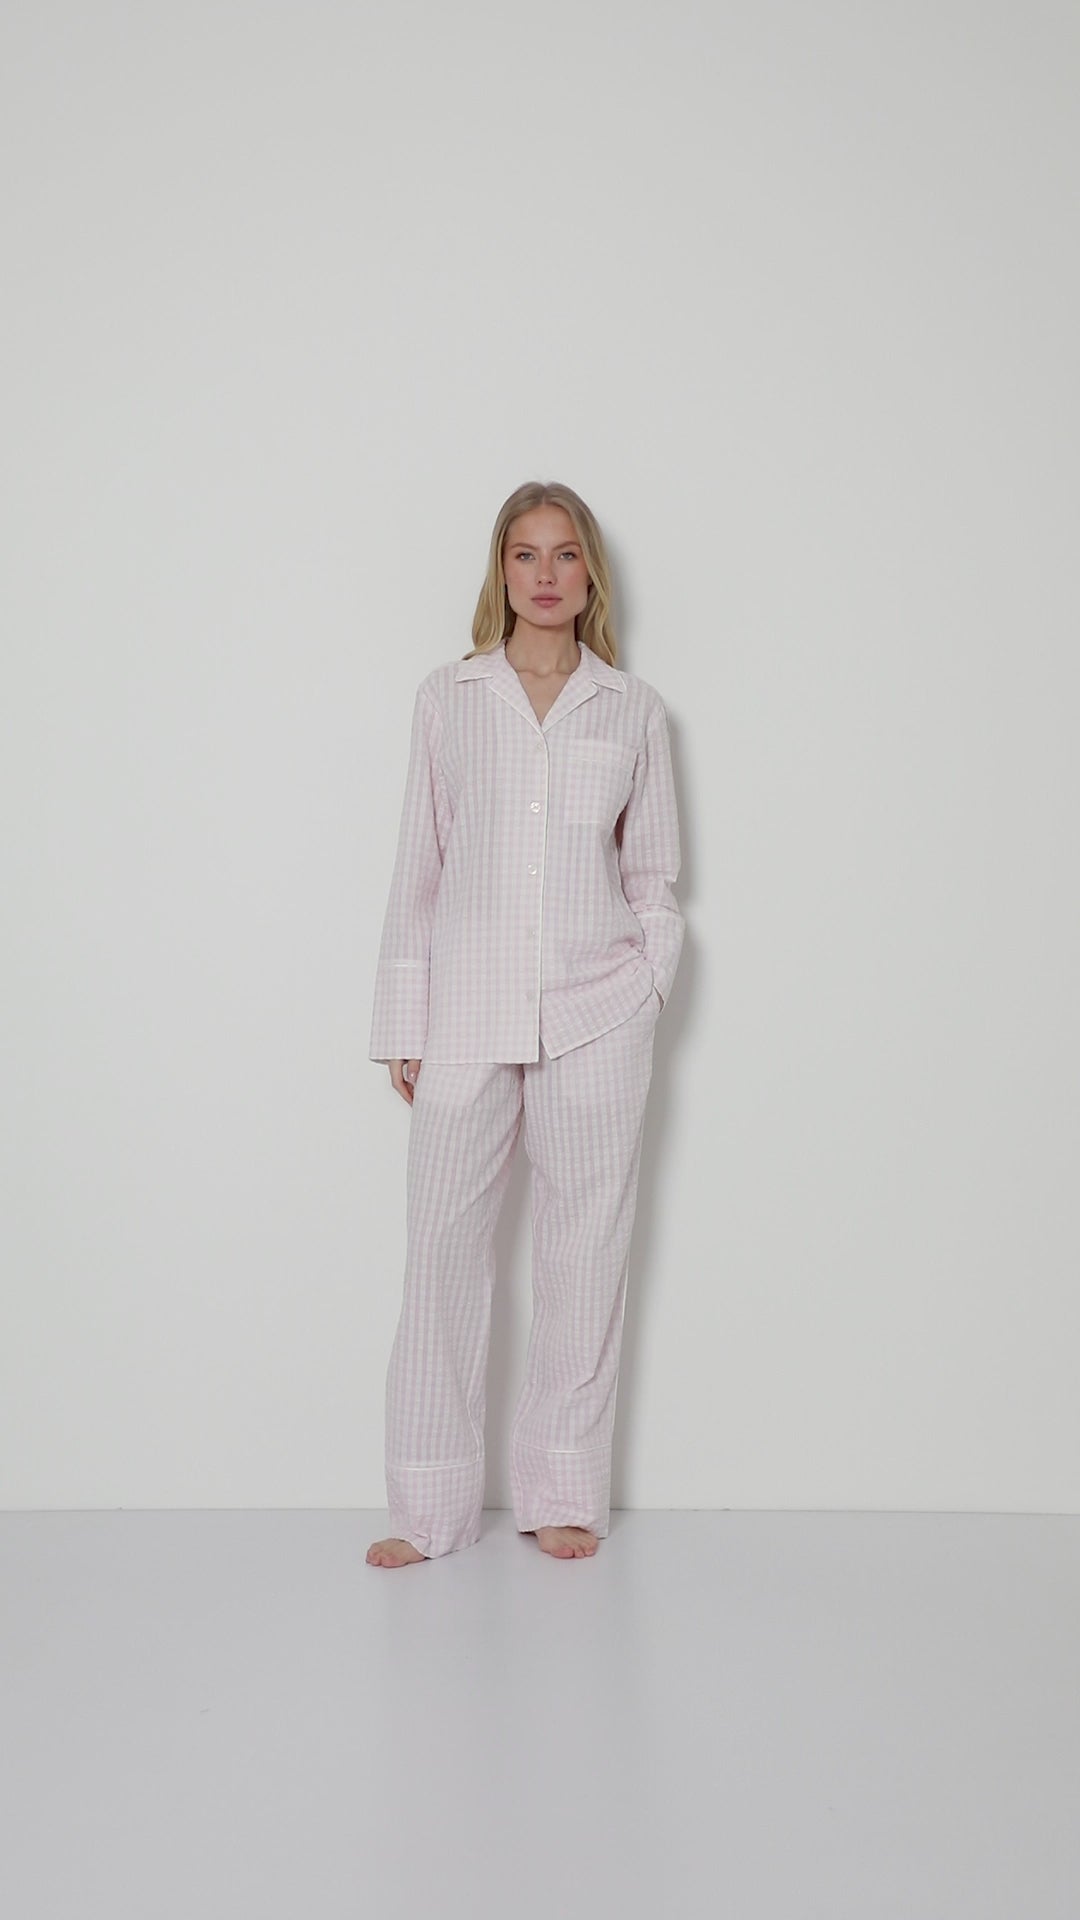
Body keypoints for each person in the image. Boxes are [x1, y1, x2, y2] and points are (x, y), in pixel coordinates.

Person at [366, 480, 685, 1566]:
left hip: (597, 1016)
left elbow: (654, 879)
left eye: (564, 554)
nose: (544, 574)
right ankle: (428, 1509)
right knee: (440, 1258)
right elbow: (417, 868)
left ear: (590, 573)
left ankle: (563, 1493)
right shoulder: (449, 699)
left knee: (584, 1259)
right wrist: (404, 1023)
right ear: (500, 572)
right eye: (524, 554)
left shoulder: (632, 710)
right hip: (465, 1012)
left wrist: (646, 987)